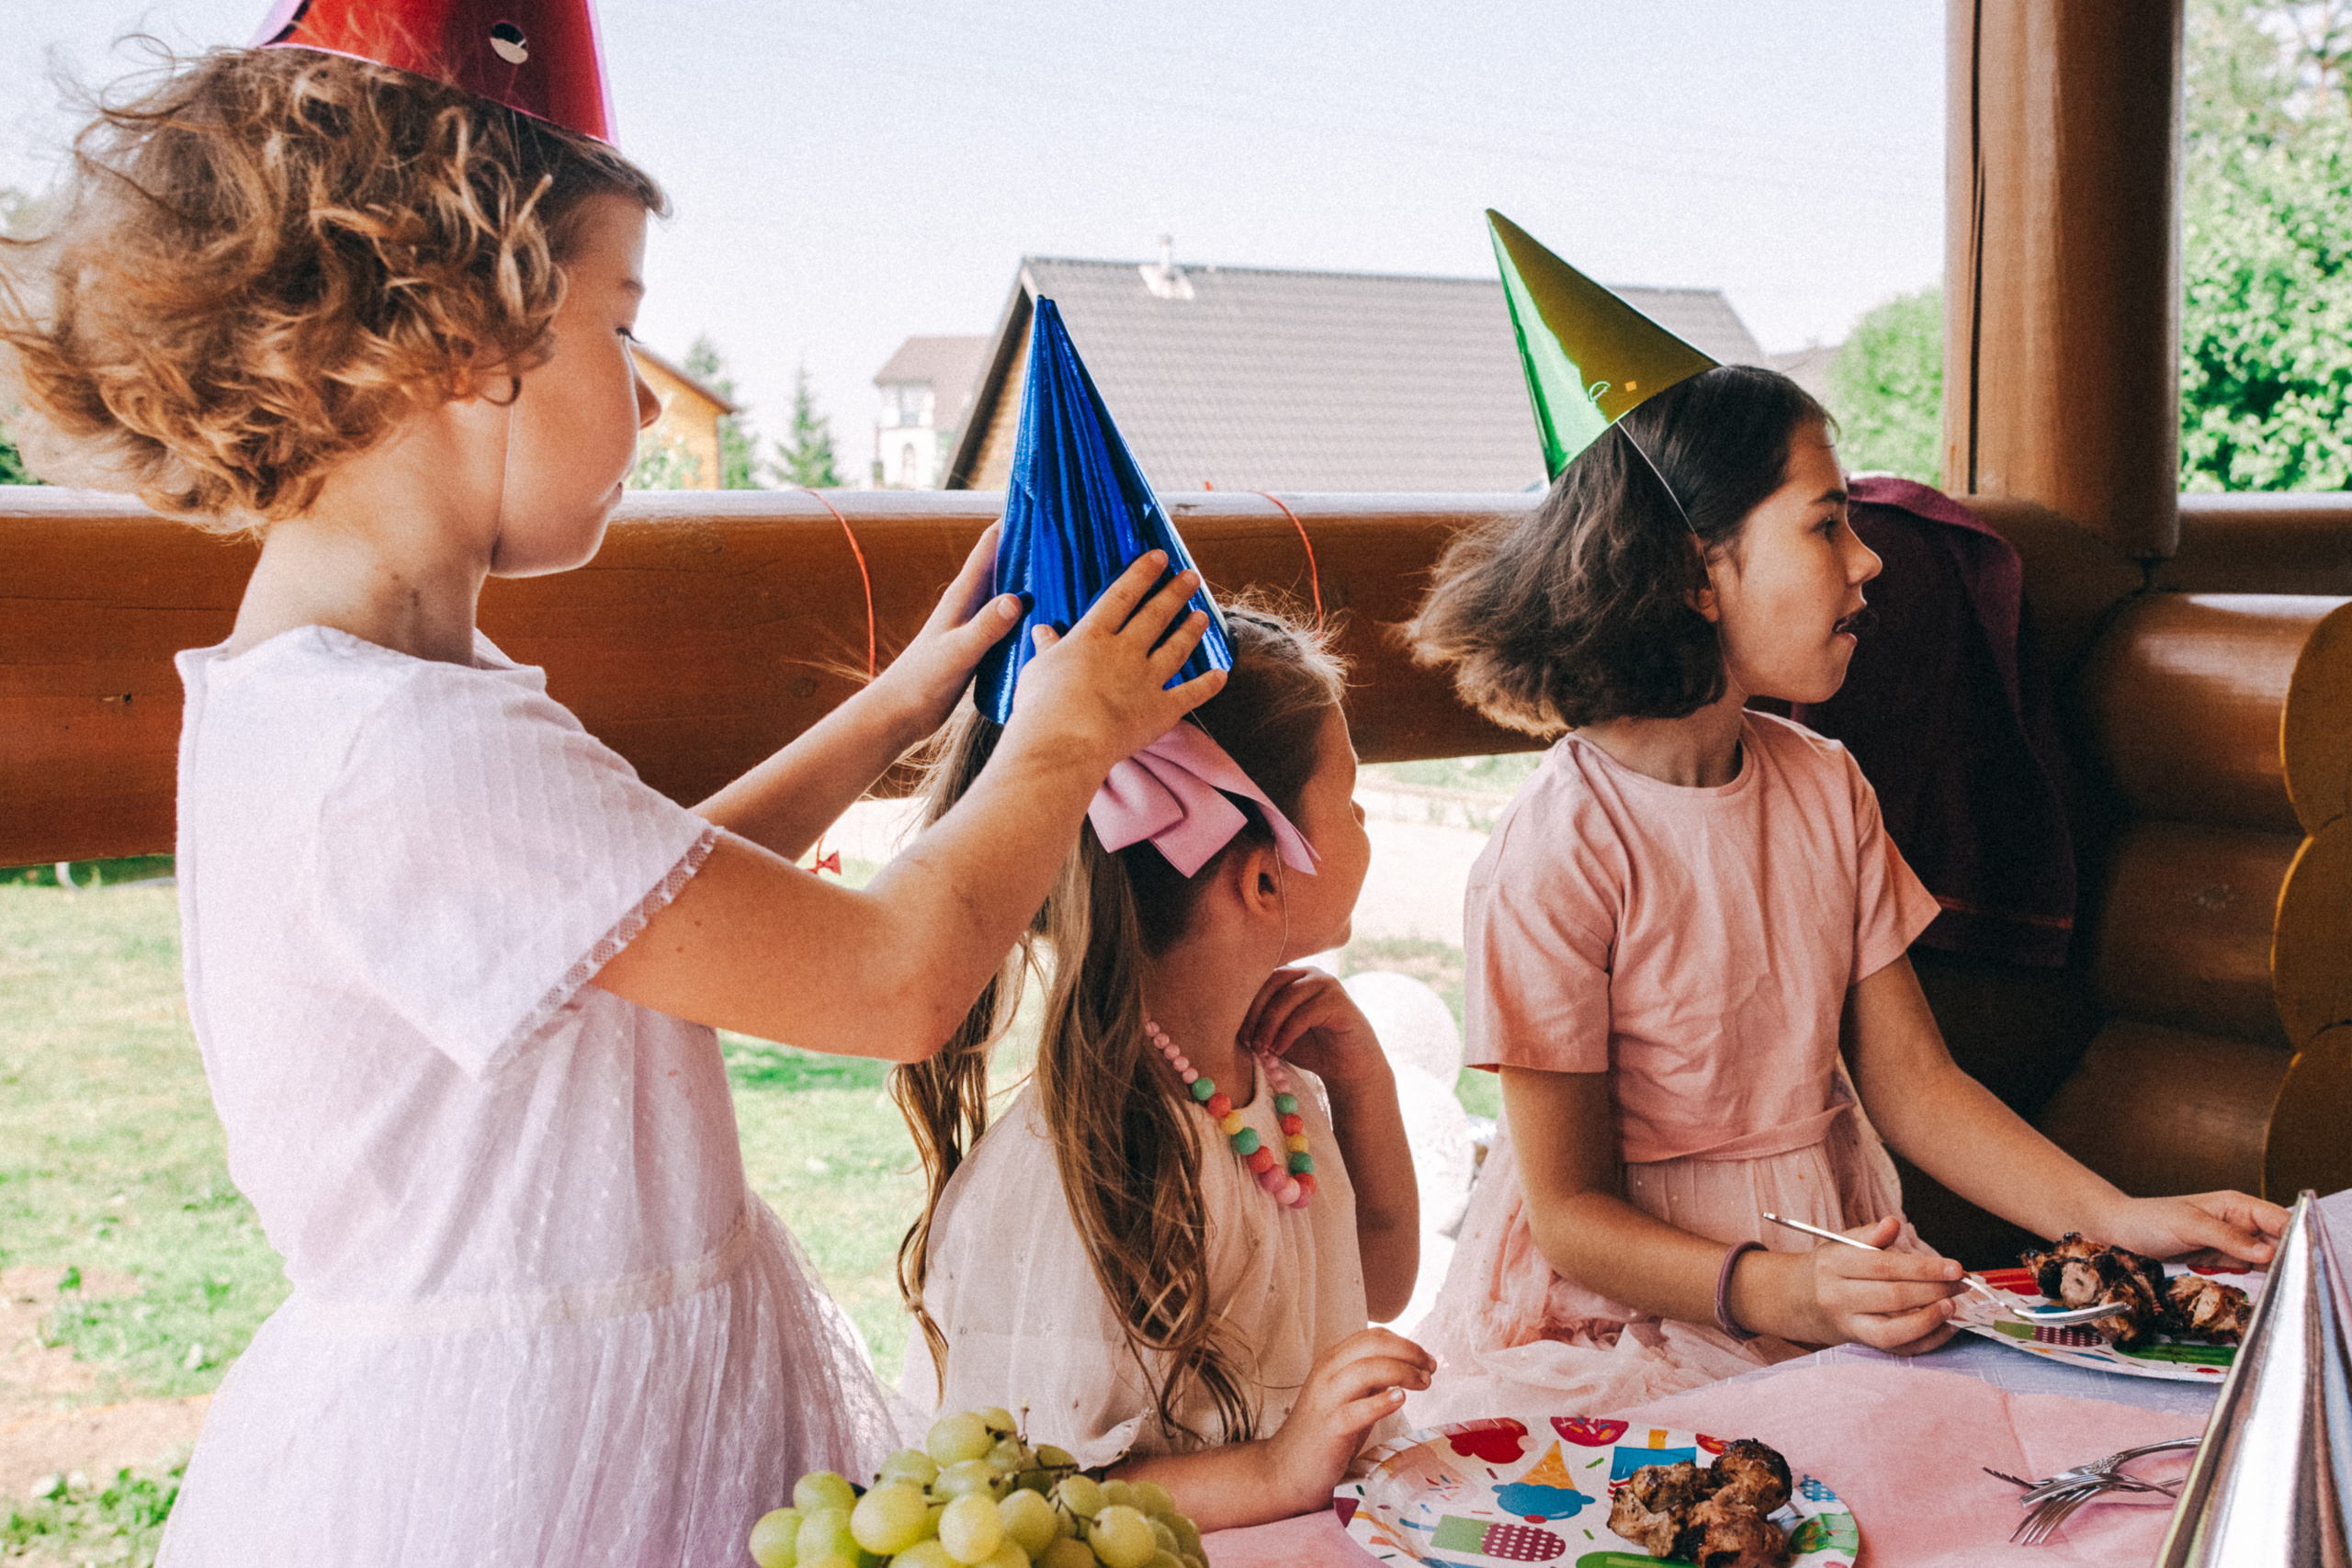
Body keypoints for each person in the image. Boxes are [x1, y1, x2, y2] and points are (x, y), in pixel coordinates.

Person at [0, 32, 1217, 1568]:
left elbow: (641, 901)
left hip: (561, 1402)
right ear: (454, 336)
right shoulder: (407, 747)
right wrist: (1066, 739)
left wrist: (904, 703)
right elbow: (894, 979)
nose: (647, 408)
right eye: (620, 333)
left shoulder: (351, 694)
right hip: (526, 1478)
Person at [1402, 359, 2289, 1419]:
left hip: (1831, 1274)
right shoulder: (1557, 853)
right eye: (1827, 525)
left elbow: (1915, 1086)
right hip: (1629, 1320)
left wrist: (2112, 1215)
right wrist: (1783, 1292)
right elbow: (1572, 1213)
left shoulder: (1825, 785)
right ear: (1694, 571)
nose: (1868, 560)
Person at [899, 606, 1433, 1531]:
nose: (1361, 824)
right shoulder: (1087, 1160)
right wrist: (1275, 1469)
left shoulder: (1278, 1088)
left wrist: (1365, 1091)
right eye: (1348, 803)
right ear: (1263, 877)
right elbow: (1030, 1490)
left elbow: (1375, 1284)